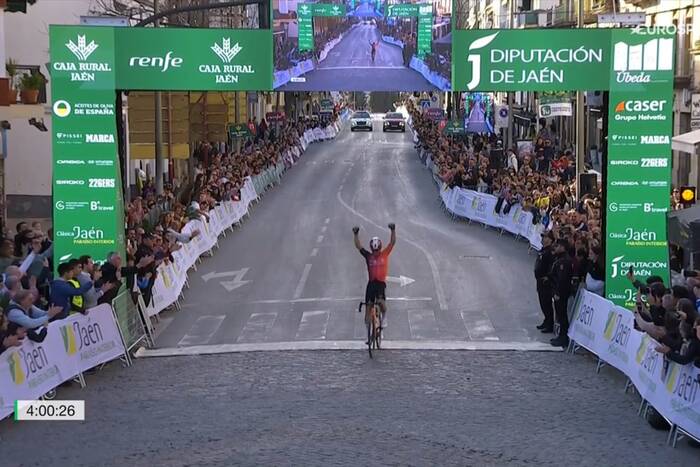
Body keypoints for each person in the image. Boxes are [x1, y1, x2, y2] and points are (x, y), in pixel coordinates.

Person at [352, 223, 396, 337]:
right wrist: (355, 234)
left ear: (380, 248)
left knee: (381, 302)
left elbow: (392, 243)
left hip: (380, 284)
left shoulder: (384, 254)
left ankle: (384, 318)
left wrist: (393, 230)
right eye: (374, 250)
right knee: (368, 309)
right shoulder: (368, 256)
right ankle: (369, 332)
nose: (376, 253)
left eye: (377, 250)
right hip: (371, 284)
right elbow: (358, 246)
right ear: (371, 249)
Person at [550, 238, 573, 348]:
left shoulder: (565, 261)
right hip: (558, 290)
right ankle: (561, 336)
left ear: (563, 247)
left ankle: (563, 337)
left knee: (562, 314)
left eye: (558, 246)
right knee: (559, 314)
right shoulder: (560, 258)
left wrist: (557, 292)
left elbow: (562, 279)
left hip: (561, 293)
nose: (556, 248)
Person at [534, 233, 555, 333]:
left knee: (546, 303)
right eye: (542, 237)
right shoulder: (543, 250)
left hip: (545, 282)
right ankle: (546, 320)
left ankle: (549, 324)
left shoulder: (550, 252)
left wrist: (548, 277)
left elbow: (552, 266)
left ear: (550, 240)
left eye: (545, 237)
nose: (543, 239)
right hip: (540, 280)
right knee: (542, 303)